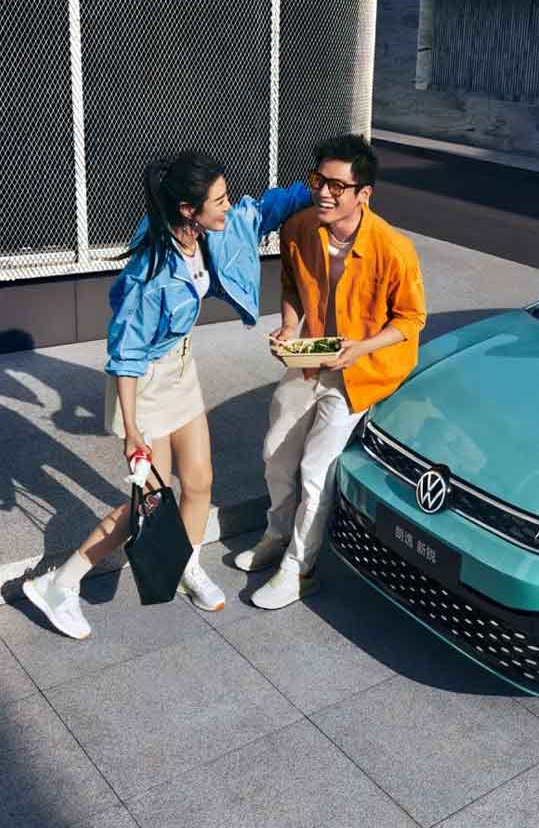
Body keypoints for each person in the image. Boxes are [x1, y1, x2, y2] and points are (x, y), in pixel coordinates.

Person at [22, 152, 312, 638]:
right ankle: (59, 584)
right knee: (149, 505)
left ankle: (184, 564)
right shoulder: (150, 274)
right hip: (145, 385)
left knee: (199, 482)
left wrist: (318, 190)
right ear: (187, 209)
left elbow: (259, 210)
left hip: (182, 369)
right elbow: (125, 357)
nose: (226, 205)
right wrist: (132, 430)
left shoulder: (205, 231)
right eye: (216, 200)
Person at [234, 134, 426, 609]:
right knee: (275, 451)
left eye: (338, 186)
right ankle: (276, 534)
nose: (324, 192)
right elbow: (291, 285)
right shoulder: (300, 228)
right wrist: (286, 326)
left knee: (316, 468)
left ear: (364, 194)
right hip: (310, 356)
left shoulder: (393, 248)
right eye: (319, 180)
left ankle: (300, 569)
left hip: (362, 369)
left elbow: (410, 319)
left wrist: (361, 348)